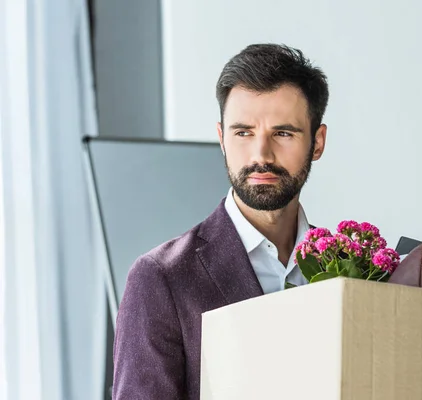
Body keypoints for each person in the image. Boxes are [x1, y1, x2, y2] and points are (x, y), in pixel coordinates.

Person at [112, 43, 329, 399]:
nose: (261, 155)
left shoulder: (351, 268)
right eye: (243, 132)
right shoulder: (160, 278)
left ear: (317, 143)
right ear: (222, 139)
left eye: (283, 133)